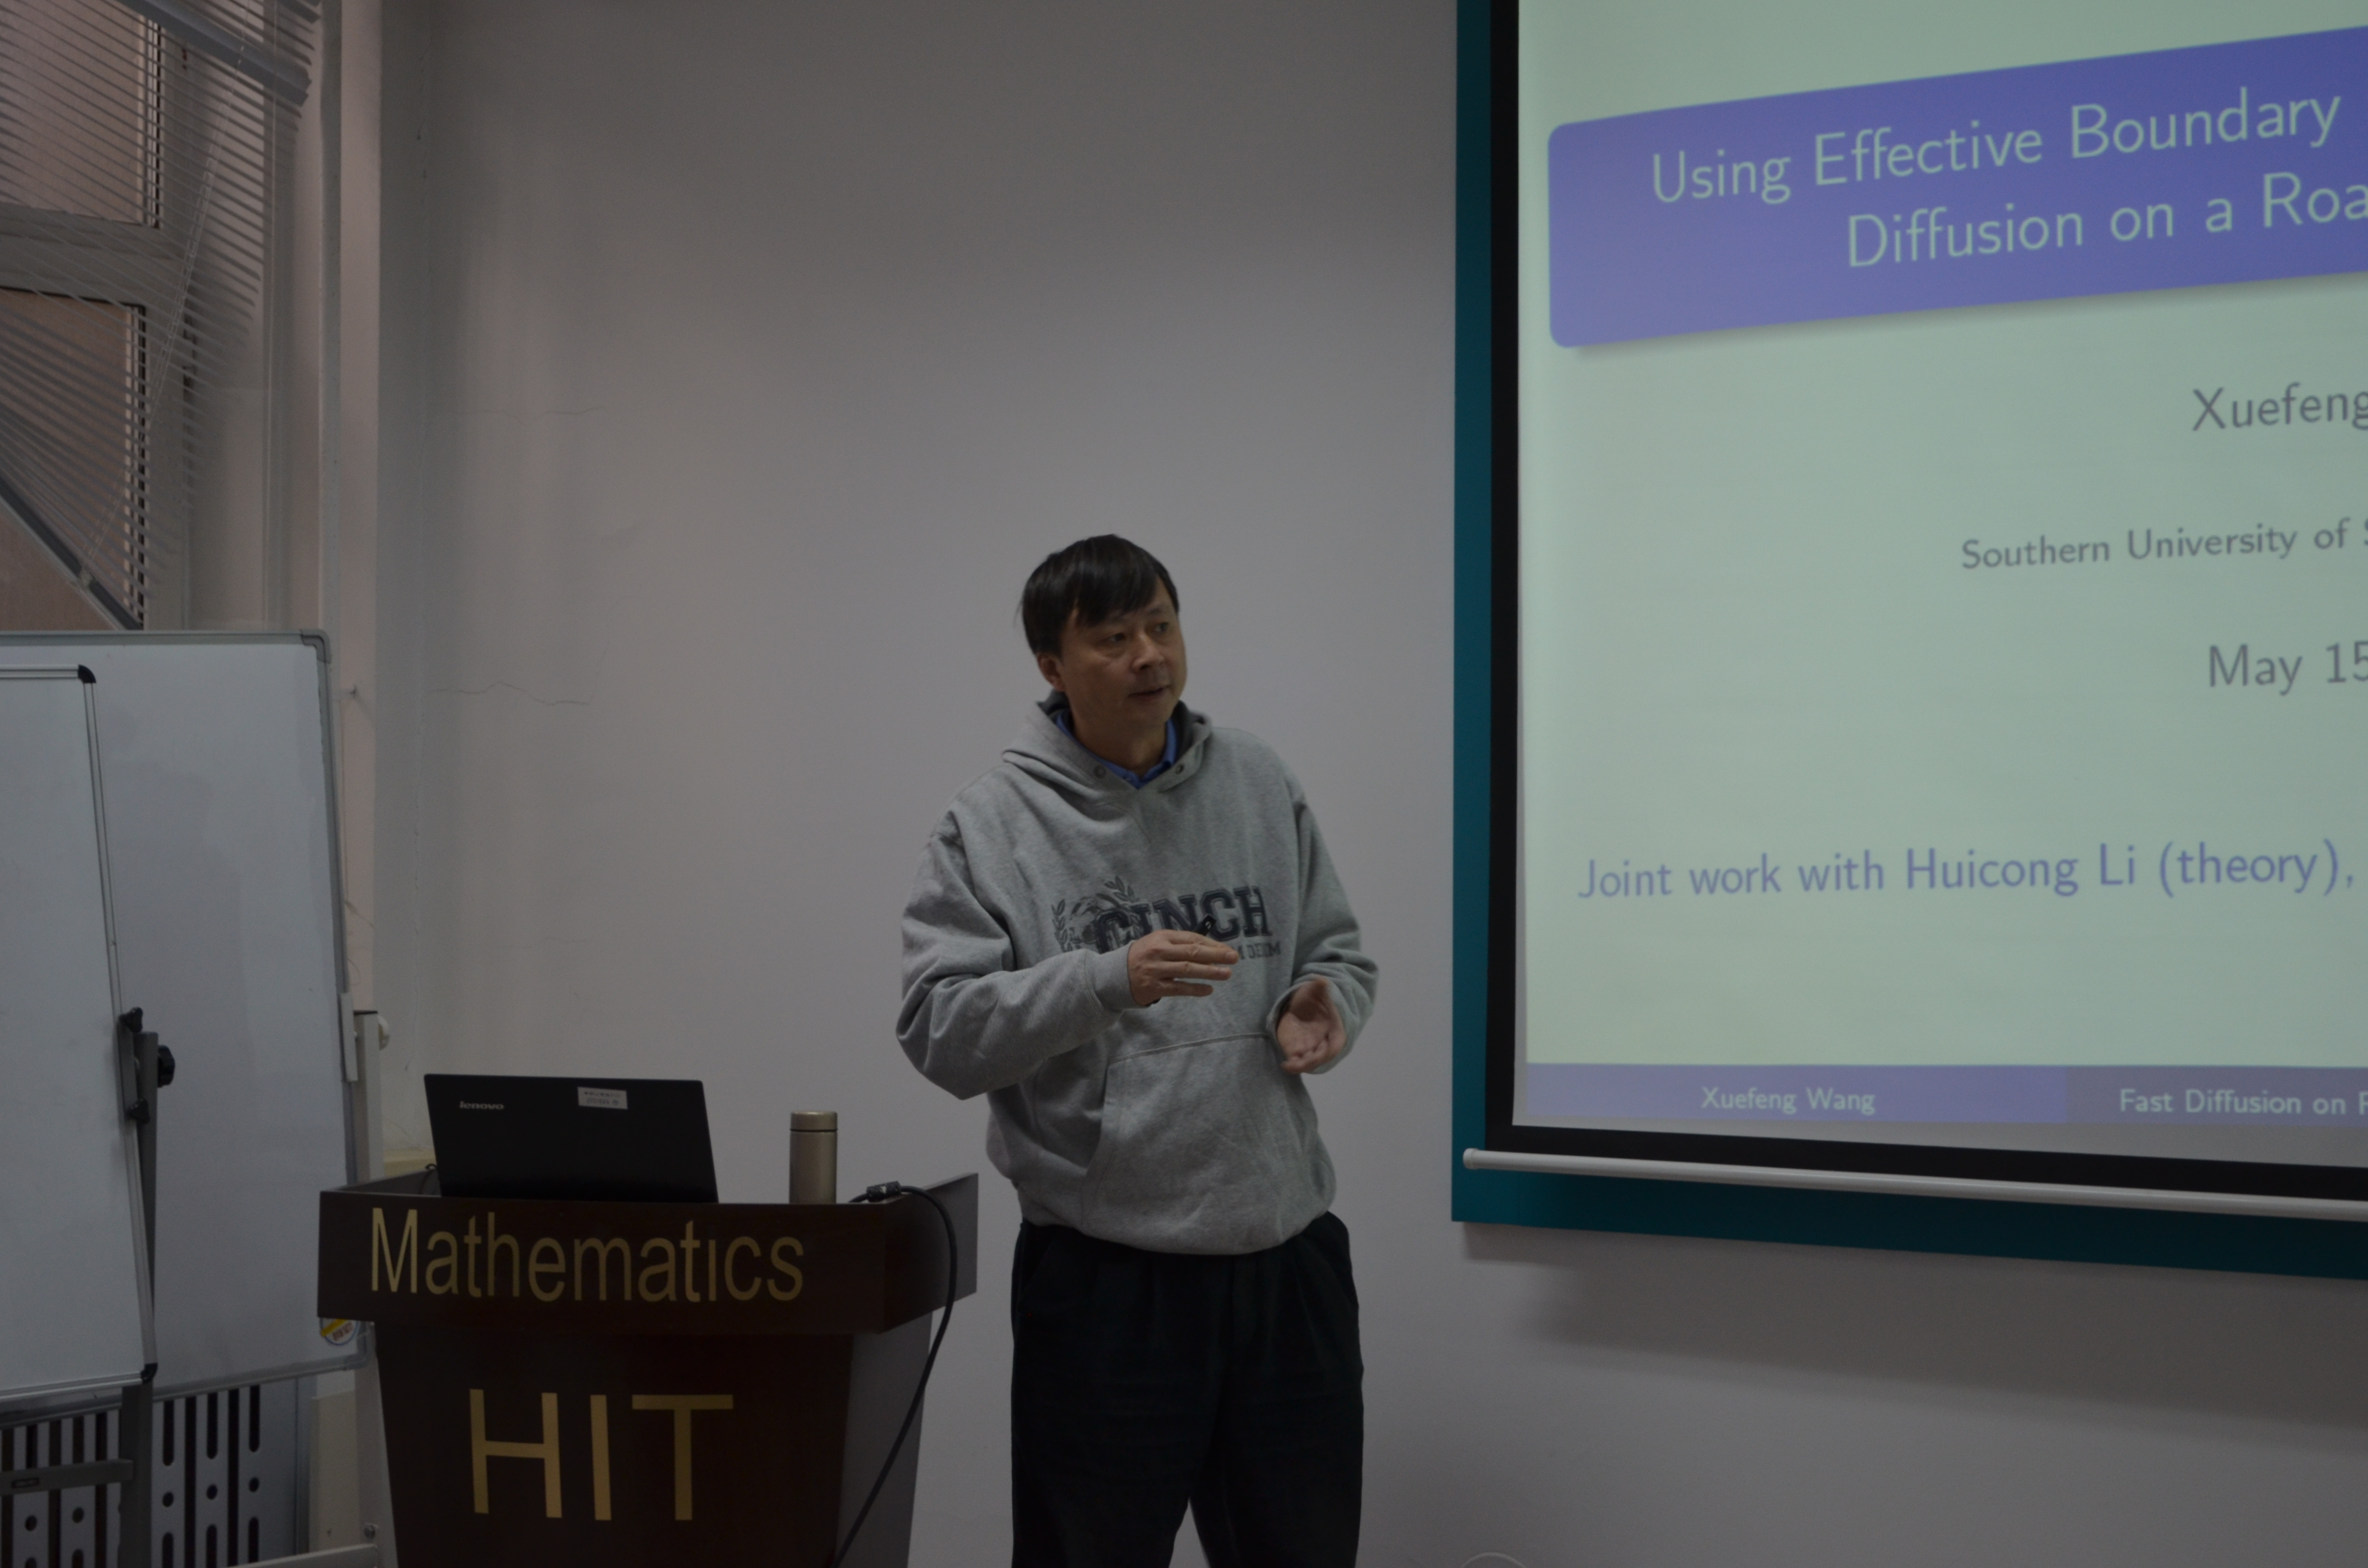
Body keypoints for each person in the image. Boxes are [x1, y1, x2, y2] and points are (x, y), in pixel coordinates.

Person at [898, 534, 1379, 1568]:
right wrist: (1104, 979)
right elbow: (940, 1031)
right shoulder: (991, 823)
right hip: (1110, 1284)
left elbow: (1336, 949)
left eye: (1162, 626)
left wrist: (1324, 999)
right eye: (1114, 639)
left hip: (1284, 1261)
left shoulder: (1256, 778)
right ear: (1052, 665)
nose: (1150, 655)